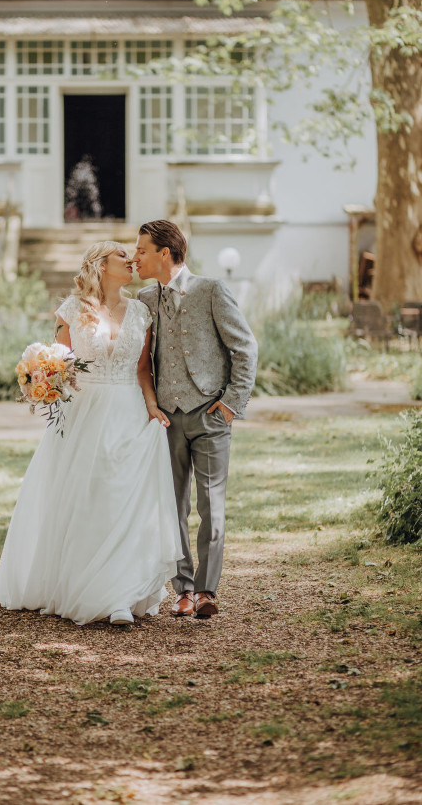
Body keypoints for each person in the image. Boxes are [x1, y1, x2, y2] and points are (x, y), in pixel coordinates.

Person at [0, 241, 182, 626]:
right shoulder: (72, 310)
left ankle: (119, 595)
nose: (131, 260)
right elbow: (58, 362)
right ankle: (81, 584)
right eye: (121, 256)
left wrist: (151, 406)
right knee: (87, 497)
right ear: (100, 265)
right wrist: (44, 381)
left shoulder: (141, 311)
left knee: (123, 498)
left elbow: (142, 369)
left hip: (129, 410)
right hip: (85, 413)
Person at [134, 220, 258, 619]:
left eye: (142, 250)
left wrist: (230, 405)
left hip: (210, 415)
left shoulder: (210, 291)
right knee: (172, 507)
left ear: (164, 254)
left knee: (212, 507)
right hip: (167, 419)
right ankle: (183, 588)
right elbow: (140, 360)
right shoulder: (144, 300)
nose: (136, 256)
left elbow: (245, 348)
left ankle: (207, 590)